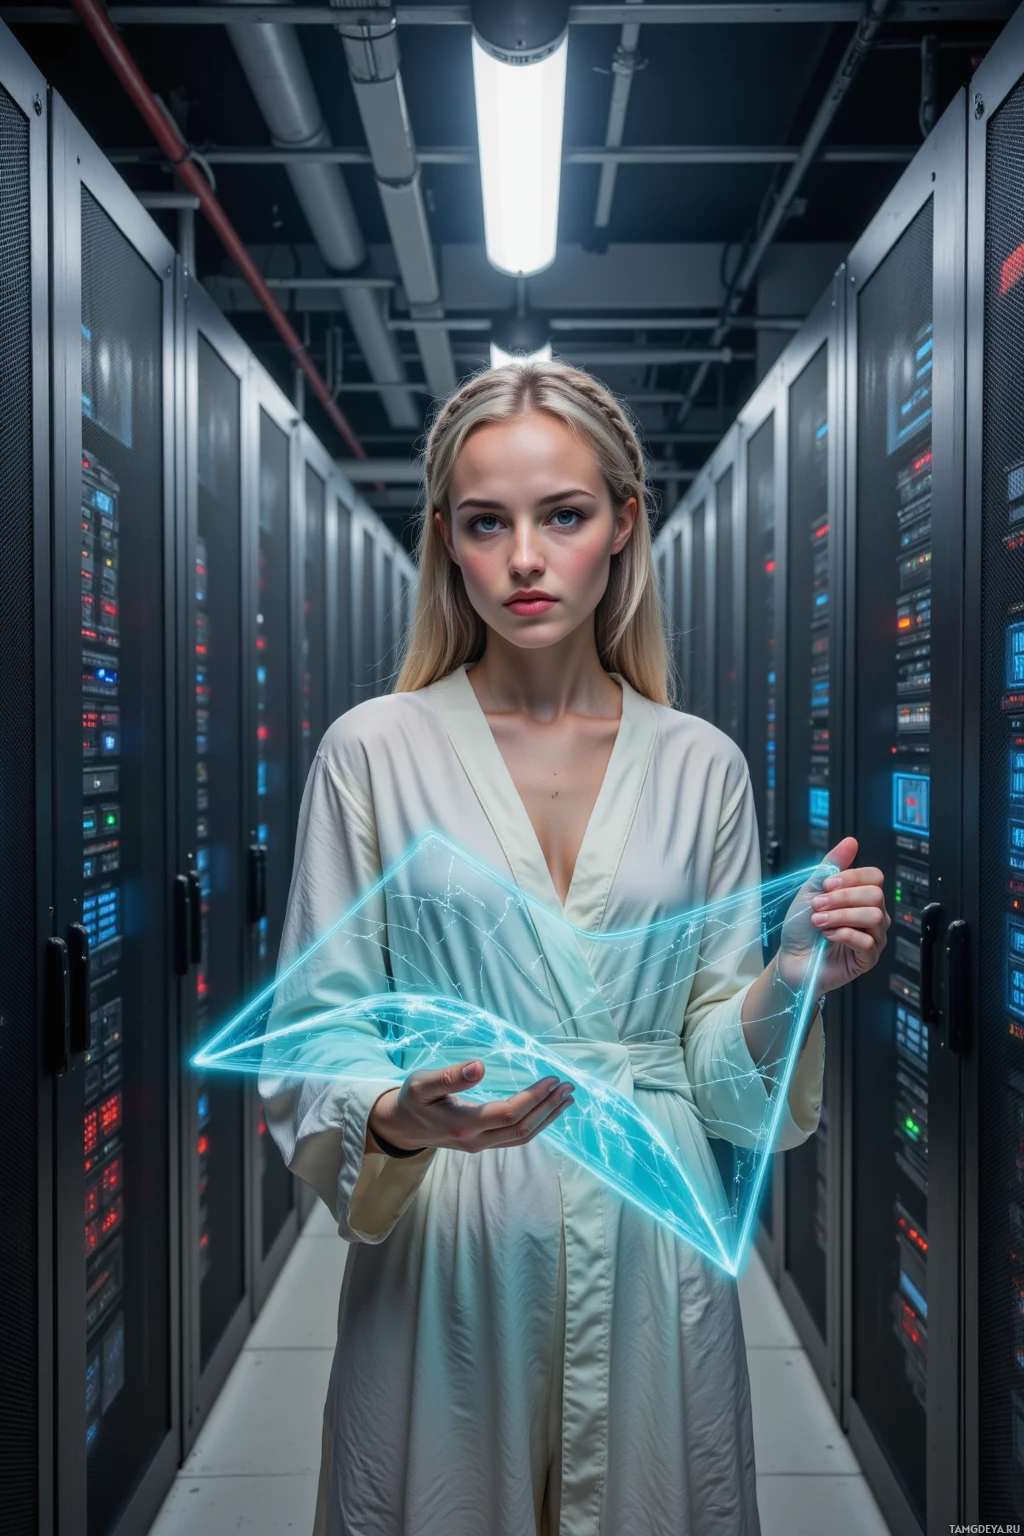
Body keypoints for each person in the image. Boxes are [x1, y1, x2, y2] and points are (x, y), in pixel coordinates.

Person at [260, 360, 889, 1536]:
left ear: (622, 525)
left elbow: (712, 1064)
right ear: (446, 540)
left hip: (649, 1223)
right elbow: (320, 1025)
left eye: (563, 515)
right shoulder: (374, 751)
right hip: (452, 1221)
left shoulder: (700, 761)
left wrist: (790, 982)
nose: (525, 559)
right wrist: (397, 1117)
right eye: (487, 523)